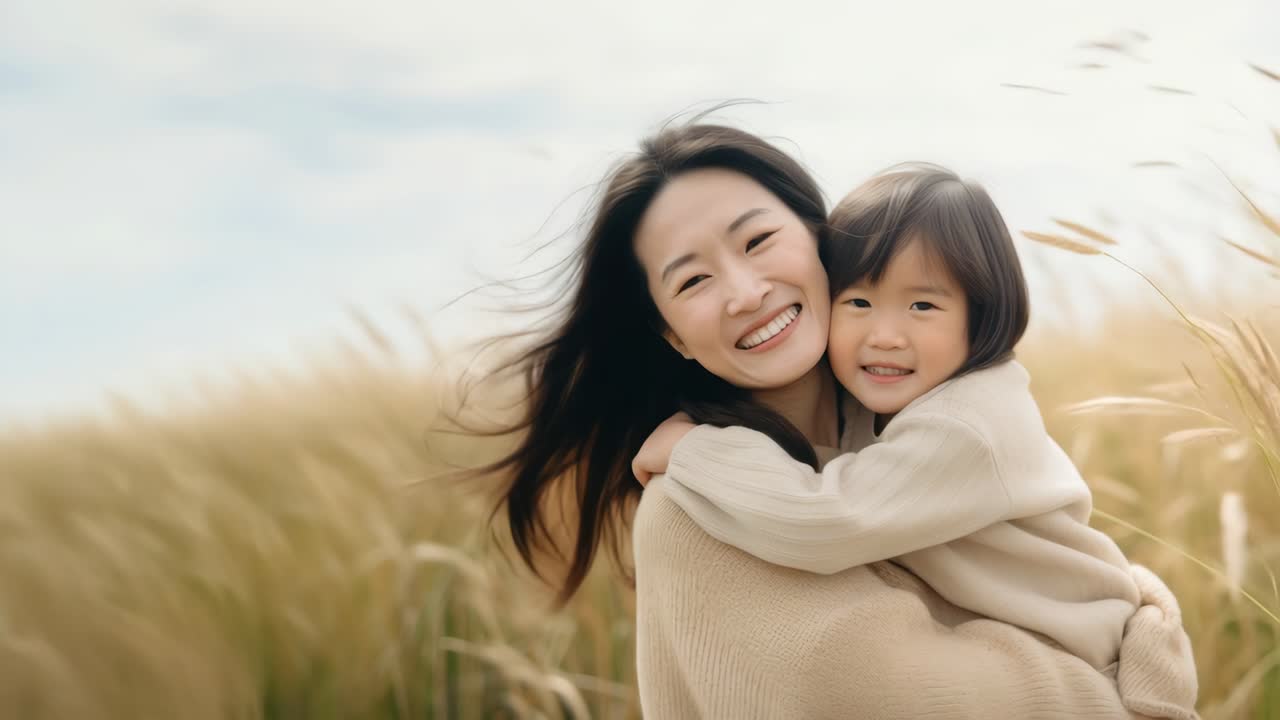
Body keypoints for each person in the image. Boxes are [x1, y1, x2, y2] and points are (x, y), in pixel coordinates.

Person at [482, 117, 1198, 718]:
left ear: (821, 241)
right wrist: (1109, 687)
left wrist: (1140, 621)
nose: (744, 290)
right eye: (693, 280)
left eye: (758, 240)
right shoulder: (692, 510)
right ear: (670, 333)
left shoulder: (913, 416)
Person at [631, 163, 1144, 673]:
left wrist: (694, 450)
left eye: (922, 305)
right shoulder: (879, 403)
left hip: (1084, 652)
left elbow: (831, 521)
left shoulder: (967, 425)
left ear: (980, 314)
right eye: (857, 301)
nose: (885, 336)